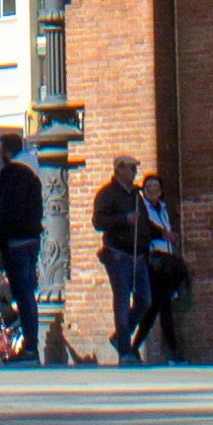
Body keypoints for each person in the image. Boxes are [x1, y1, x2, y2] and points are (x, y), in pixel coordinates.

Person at [0, 136, 46, 365]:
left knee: (22, 295)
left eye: (1, 149)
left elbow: (6, 210)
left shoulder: (12, 173)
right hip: (31, 239)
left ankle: (30, 347)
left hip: (16, 242)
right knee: (27, 295)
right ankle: (31, 345)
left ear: (7, 151)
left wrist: (1, 238)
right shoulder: (32, 171)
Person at [91, 154, 154, 362]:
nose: (135, 172)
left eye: (135, 168)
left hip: (138, 255)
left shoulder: (136, 196)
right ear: (119, 169)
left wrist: (160, 235)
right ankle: (125, 350)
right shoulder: (107, 194)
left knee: (145, 300)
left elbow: (145, 222)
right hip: (118, 255)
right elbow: (99, 221)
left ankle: (120, 337)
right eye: (131, 168)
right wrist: (123, 220)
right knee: (122, 300)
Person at [137, 172, 191, 362]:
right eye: (149, 187)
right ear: (144, 190)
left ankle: (133, 344)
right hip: (153, 265)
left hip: (165, 265)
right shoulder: (142, 208)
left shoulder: (164, 209)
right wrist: (162, 235)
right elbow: (147, 231)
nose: (153, 190)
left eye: (156, 187)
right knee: (159, 307)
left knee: (159, 307)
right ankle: (171, 353)